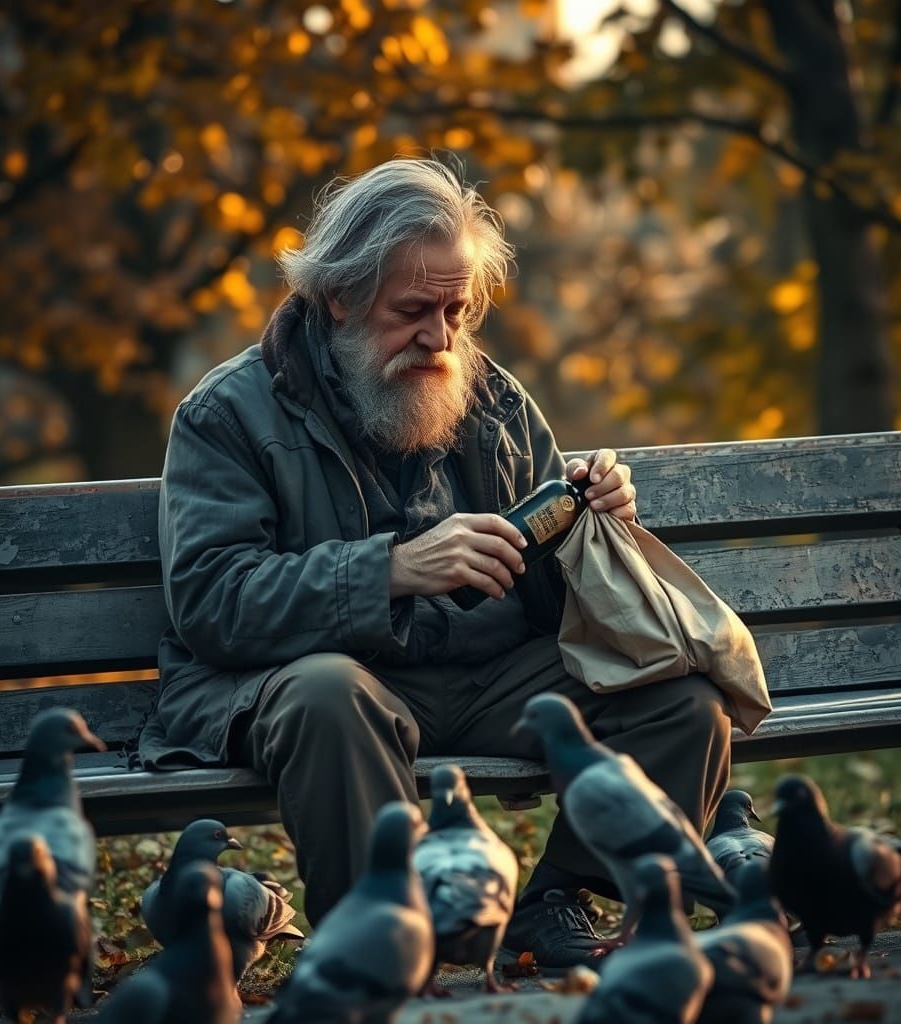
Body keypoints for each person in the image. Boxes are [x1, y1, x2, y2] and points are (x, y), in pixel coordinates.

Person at [137, 157, 731, 969]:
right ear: (338, 295)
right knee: (328, 694)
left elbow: (559, 601)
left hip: (483, 679)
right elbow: (213, 601)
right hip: (312, 679)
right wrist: (392, 570)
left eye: (456, 309)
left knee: (682, 698)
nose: (441, 337)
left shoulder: (492, 398)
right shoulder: (227, 413)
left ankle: (559, 897)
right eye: (413, 310)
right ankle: (372, 947)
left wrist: (592, 523)